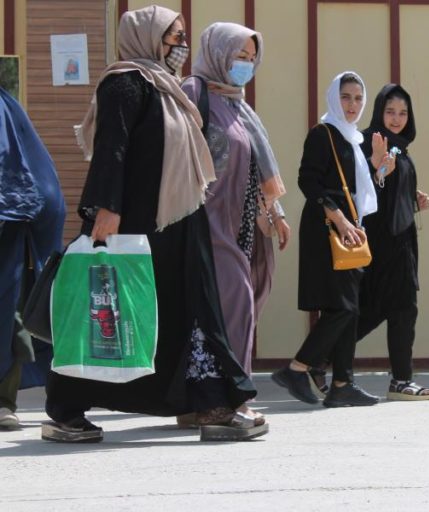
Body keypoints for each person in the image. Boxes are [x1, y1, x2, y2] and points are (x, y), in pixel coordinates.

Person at [43, 5, 265, 443]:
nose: (181, 45)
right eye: (173, 36)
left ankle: (212, 405)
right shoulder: (125, 82)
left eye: (182, 36)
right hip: (134, 224)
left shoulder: (168, 88)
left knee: (192, 314)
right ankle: (66, 412)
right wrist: (106, 207)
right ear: (147, 37)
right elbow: (113, 146)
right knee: (108, 315)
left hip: (179, 224)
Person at [181, 22, 289, 421]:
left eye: (251, 58)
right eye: (238, 56)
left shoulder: (238, 106)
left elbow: (256, 166)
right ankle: (224, 399)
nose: (246, 65)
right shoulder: (193, 93)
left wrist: (274, 212)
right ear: (217, 54)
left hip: (239, 225)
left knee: (230, 307)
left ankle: (207, 402)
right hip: (204, 222)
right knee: (232, 304)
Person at [309, 84, 429, 401]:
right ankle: (399, 380)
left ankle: (318, 361)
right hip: (381, 240)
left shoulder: (400, 147)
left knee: (378, 309)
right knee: (392, 308)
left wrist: (411, 199)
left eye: (403, 113)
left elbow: (388, 190)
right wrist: (380, 170)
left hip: (400, 238)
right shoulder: (369, 142)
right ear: (379, 112)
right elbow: (362, 189)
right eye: (390, 112)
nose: (396, 119)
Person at [271, 71, 383, 408]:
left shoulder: (353, 139)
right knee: (343, 306)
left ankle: (343, 384)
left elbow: (355, 186)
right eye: (346, 97)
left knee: (350, 307)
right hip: (327, 226)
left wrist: (377, 167)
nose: (352, 104)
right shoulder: (323, 133)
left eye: (358, 98)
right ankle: (297, 368)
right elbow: (308, 181)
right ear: (334, 98)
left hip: (349, 227)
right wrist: (339, 218)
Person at [0, 86, 66, 430]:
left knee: (7, 309)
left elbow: (27, 178)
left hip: (9, 227)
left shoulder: (4, 109)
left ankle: (2, 401)